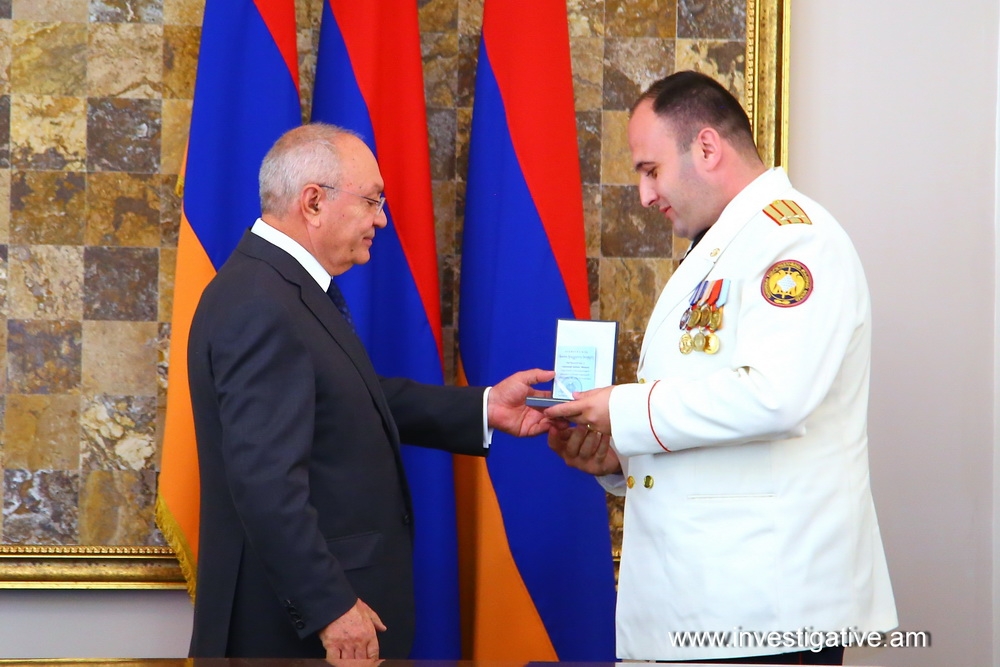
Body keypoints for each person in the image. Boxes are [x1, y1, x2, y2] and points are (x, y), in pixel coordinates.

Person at [545, 71, 897, 664]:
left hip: (764, 609)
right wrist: (622, 456)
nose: (645, 195)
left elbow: (774, 396)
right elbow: (712, 415)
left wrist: (621, 410)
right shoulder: (725, 244)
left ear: (706, 148)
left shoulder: (794, 242)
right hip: (706, 600)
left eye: (650, 170)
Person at [186, 122, 554, 660]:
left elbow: (349, 397)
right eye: (372, 200)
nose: (381, 218)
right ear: (313, 201)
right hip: (291, 635)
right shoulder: (261, 303)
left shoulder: (278, 287)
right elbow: (265, 482)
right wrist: (329, 606)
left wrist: (485, 407)